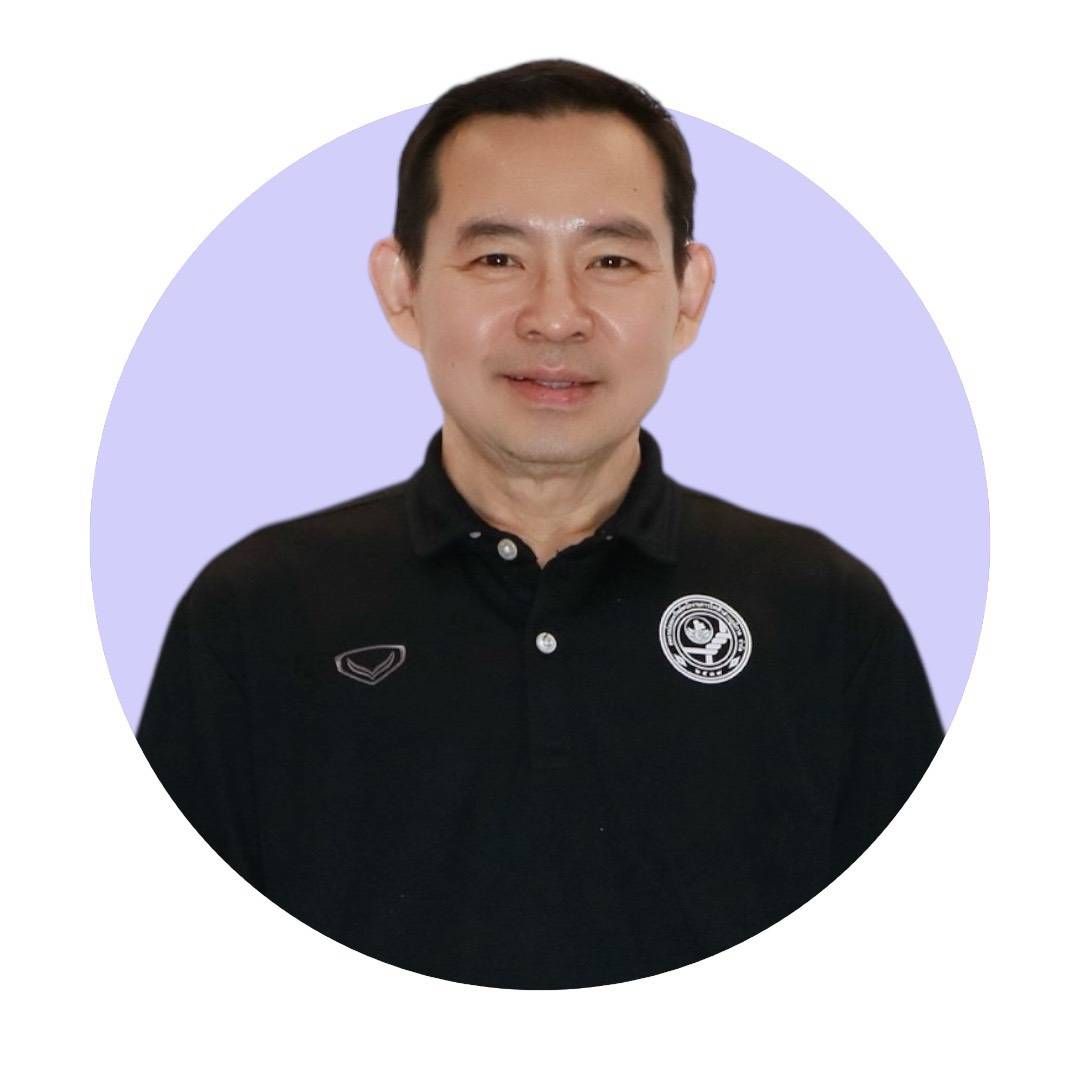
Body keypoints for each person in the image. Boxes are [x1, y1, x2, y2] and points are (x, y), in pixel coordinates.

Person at [137, 58, 943, 990]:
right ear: (401, 288)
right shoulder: (254, 614)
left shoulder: (825, 613)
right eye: (497, 259)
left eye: (611, 260)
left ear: (687, 294)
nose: (556, 318)